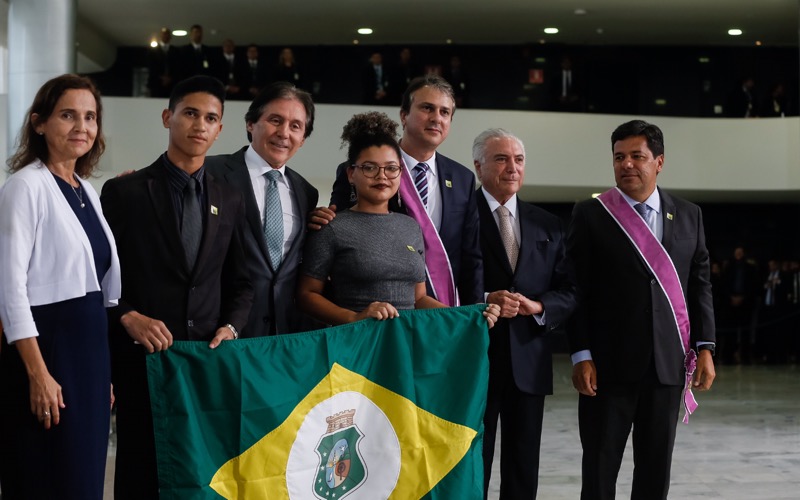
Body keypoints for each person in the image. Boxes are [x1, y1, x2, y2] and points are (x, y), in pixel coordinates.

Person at [100, 75, 253, 499]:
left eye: (210, 118)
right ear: (168, 117)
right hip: (143, 360)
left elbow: (242, 281)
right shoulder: (124, 191)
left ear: (220, 129)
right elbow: (95, 278)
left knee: (201, 471)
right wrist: (127, 315)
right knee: (140, 471)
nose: (199, 125)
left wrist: (232, 327)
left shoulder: (232, 195)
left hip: (205, 359)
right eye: (190, 113)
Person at [566, 120, 716, 500]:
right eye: (619, 157)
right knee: (599, 471)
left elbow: (699, 286)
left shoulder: (688, 215)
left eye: (637, 156)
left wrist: (706, 348)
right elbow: (576, 290)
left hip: (666, 366)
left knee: (654, 472)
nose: (626, 165)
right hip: (607, 367)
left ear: (659, 161)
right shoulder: (591, 213)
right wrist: (581, 354)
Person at [0, 74, 121, 499]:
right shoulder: (24, 187)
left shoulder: (86, 189)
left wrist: (101, 374)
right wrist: (38, 374)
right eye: (67, 115)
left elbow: (97, 289)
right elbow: (10, 289)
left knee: (83, 482)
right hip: (48, 352)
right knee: (46, 478)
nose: (82, 127)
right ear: (39, 123)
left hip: (88, 359)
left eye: (90, 117)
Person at [297, 111, 498, 327]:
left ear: (401, 173)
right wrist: (353, 318)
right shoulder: (332, 227)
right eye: (369, 167)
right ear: (350, 174)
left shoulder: (410, 227)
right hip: (354, 346)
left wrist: (467, 316)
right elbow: (306, 295)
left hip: (405, 347)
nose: (381, 176)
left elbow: (418, 299)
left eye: (391, 168)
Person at [314, 75, 484, 308]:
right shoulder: (362, 169)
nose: (436, 118)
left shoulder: (463, 178)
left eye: (445, 112)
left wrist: (472, 315)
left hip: (444, 308)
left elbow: (470, 256)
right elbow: (341, 227)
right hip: (376, 309)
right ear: (404, 116)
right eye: (427, 108)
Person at [474, 129, 576, 499]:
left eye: (518, 160)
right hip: (473, 360)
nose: (512, 167)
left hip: (528, 362)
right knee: (471, 464)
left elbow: (570, 290)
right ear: (478, 166)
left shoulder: (547, 223)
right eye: (501, 159)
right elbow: (441, 283)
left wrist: (539, 306)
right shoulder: (458, 217)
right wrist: (486, 297)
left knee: (523, 468)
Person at [207, 82, 319, 336]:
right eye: (275, 120)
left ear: (303, 139)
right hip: (219, 330)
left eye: (295, 126)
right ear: (251, 123)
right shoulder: (210, 173)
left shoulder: (306, 192)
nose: (284, 133)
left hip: (284, 333)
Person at [147, 27, 179, 98]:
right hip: (156, 84)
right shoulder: (152, 50)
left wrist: (170, 78)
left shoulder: (175, 51)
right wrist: (161, 77)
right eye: (164, 34)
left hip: (172, 85)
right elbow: (151, 67)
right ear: (160, 36)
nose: (165, 36)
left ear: (170, 36)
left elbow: (177, 67)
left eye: (167, 34)